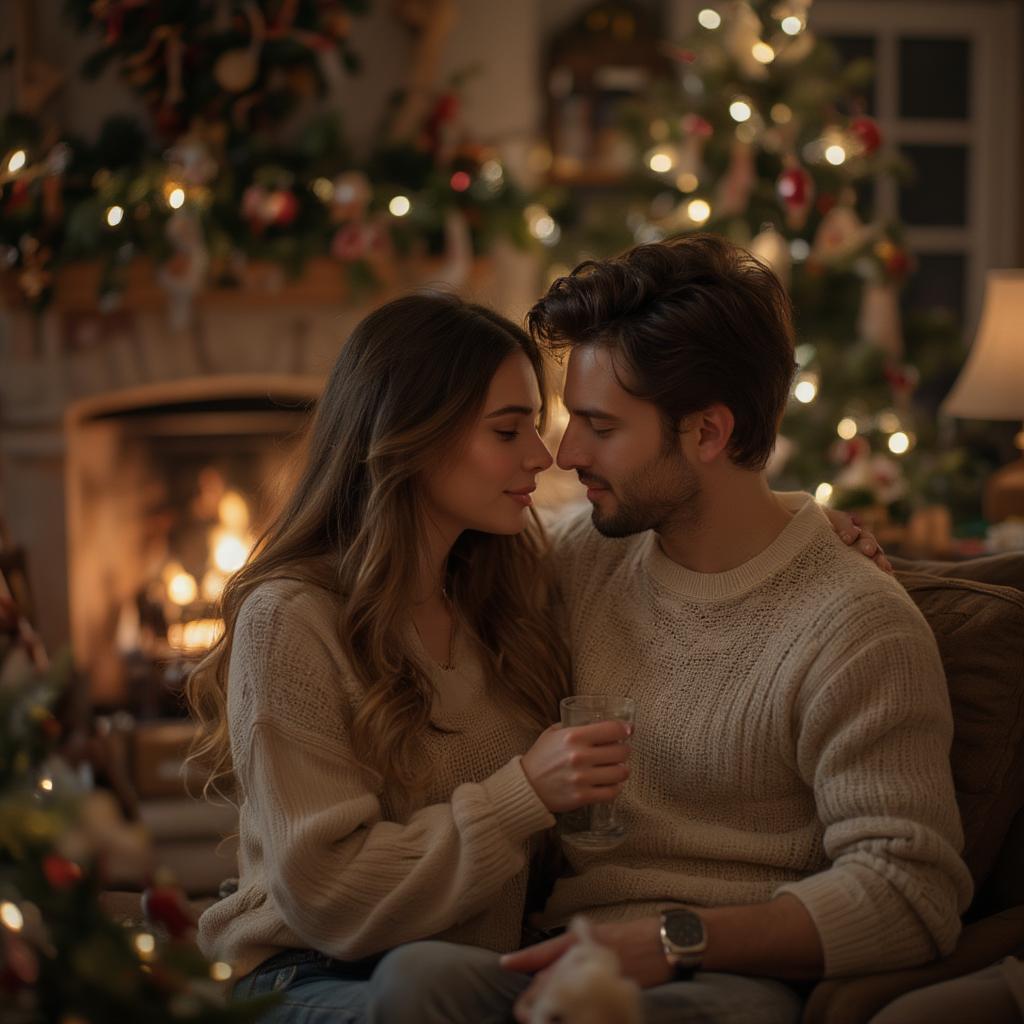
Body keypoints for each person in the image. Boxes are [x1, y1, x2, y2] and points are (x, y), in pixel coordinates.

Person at [377, 235, 973, 1024]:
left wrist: (675, 940)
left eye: (599, 425)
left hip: (722, 978)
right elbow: (408, 546)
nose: (564, 453)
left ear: (707, 434)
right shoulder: (577, 559)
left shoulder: (856, 627)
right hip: (557, 955)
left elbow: (910, 891)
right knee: (414, 981)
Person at [186, 292, 635, 1022]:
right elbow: (327, 895)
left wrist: (802, 522)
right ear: (413, 436)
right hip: (306, 975)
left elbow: (650, 538)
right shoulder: (291, 619)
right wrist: (524, 791)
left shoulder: (508, 591)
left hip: (460, 975)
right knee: (420, 991)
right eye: (508, 429)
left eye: (537, 426)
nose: (542, 456)